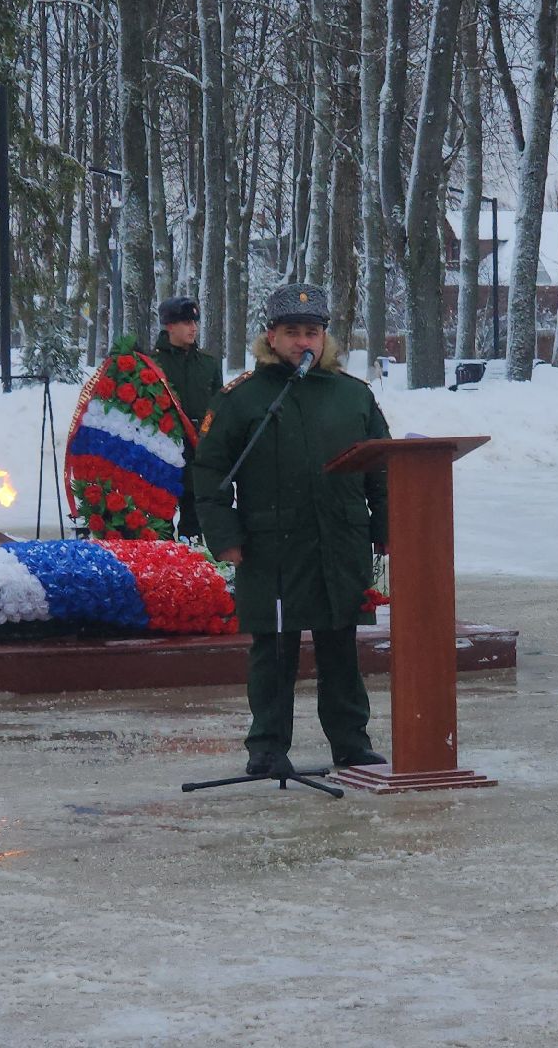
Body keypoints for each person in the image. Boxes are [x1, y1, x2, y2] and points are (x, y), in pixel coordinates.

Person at [191, 283, 391, 775]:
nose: (304, 342)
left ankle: (350, 741)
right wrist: (226, 536)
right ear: (271, 337)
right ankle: (267, 747)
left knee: (340, 646)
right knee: (274, 649)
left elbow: (383, 470)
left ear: (325, 338)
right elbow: (211, 470)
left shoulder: (353, 396)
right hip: (271, 545)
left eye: (313, 332)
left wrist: (386, 529)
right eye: (292, 332)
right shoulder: (245, 397)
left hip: (339, 542)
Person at [149, 296, 222, 538]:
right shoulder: (151, 363)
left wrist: (206, 432)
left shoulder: (208, 364)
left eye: (195, 322)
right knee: (161, 530)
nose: (193, 328)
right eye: (186, 322)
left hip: (197, 453)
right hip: (162, 454)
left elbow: (216, 407)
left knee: (194, 529)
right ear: (169, 326)